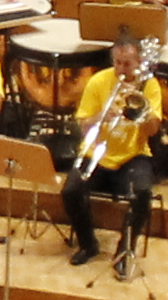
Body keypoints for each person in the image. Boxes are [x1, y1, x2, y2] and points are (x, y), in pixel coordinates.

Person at [60, 31, 161, 275]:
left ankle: (125, 250)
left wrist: (140, 110)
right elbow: (83, 127)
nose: (121, 69)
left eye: (127, 63)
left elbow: (153, 130)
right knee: (70, 191)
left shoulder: (149, 85)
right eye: (117, 63)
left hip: (132, 155)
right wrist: (101, 117)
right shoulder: (99, 81)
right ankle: (88, 244)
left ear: (138, 63)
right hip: (96, 152)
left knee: (143, 194)